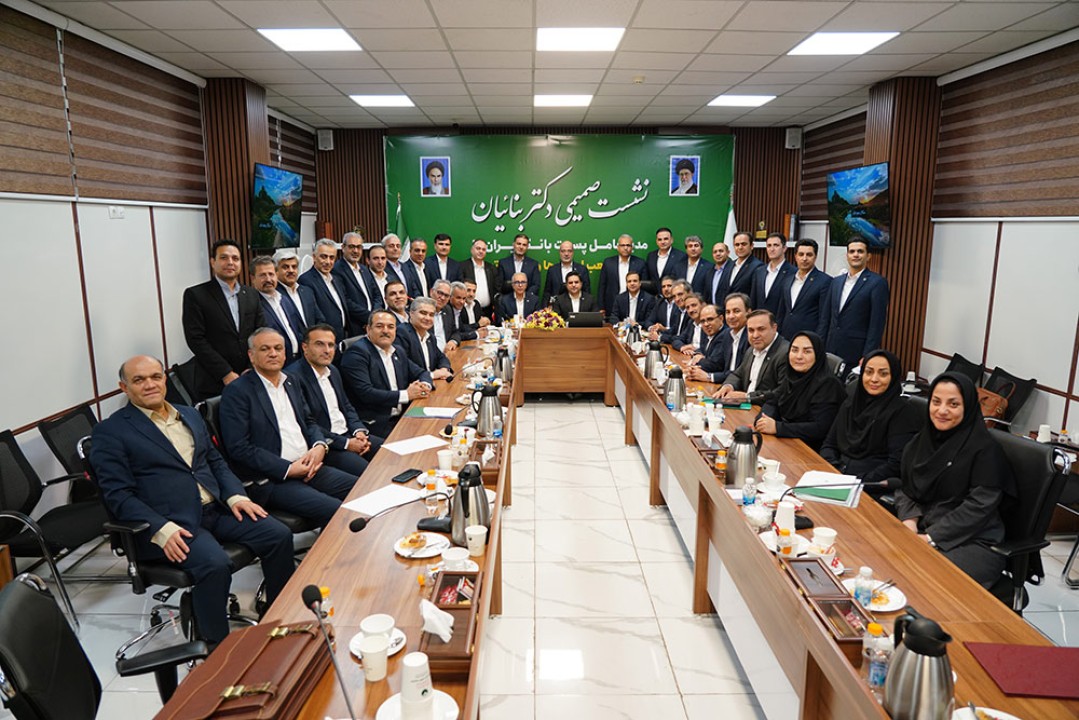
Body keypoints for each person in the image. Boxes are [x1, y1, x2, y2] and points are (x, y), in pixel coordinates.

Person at [91, 355, 294, 646]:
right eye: (139, 380)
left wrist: (235, 495)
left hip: (215, 509)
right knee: (215, 564)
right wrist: (160, 528)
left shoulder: (188, 414)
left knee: (277, 534)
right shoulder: (111, 432)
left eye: (155, 377)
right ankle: (216, 649)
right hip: (170, 523)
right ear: (124, 387)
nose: (150, 384)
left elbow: (215, 461)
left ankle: (279, 617)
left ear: (165, 379)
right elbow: (118, 495)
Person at [219, 328, 357, 529]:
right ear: (251, 355)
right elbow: (239, 448)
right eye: (265, 349)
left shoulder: (291, 381)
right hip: (274, 478)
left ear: (285, 353)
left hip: (310, 466)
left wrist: (319, 446)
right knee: (339, 511)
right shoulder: (237, 392)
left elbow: (308, 421)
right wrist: (288, 469)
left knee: (363, 488)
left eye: (278, 348)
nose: (273, 353)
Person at [893, 372, 1015, 588]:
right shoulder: (921, 441)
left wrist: (931, 537)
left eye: (953, 404)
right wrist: (909, 521)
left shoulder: (985, 450)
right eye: (936, 402)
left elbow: (979, 507)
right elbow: (906, 486)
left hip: (974, 542)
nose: (942, 410)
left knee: (913, 575)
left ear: (968, 407)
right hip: (924, 527)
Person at [286, 324, 380, 477]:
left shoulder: (333, 370)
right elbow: (307, 423)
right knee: (372, 476)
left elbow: (346, 406)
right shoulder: (293, 378)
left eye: (331, 345)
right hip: (328, 445)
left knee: (394, 453)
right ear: (305, 347)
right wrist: (347, 444)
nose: (327, 350)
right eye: (319, 344)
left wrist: (359, 431)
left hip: (349, 434)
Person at [820, 350, 922, 487]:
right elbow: (829, 444)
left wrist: (857, 482)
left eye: (883, 374)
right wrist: (834, 470)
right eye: (869, 372)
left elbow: (895, 464)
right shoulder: (851, 403)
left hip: (870, 484)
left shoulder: (902, 412)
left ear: (893, 376)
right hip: (837, 478)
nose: (874, 379)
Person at [182, 239, 265, 399]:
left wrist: (251, 367)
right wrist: (225, 373)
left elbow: (260, 333)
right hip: (214, 380)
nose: (230, 262)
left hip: (251, 376)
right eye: (224, 258)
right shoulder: (196, 295)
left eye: (235, 258)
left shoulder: (251, 294)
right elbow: (195, 339)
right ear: (213, 262)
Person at [340, 310, 433, 438]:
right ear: (368, 329)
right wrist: (407, 394)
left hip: (403, 416)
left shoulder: (397, 351)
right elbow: (366, 394)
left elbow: (421, 372)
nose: (385, 331)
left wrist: (424, 386)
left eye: (390, 327)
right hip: (375, 424)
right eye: (379, 326)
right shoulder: (356, 354)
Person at [755, 331, 846, 451]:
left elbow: (819, 428)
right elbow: (773, 400)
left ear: (817, 355)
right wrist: (763, 420)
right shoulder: (791, 376)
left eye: (807, 351)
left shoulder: (829, 385)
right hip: (789, 442)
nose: (799, 356)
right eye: (794, 350)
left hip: (811, 450)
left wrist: (778, 427)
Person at [825, 237, 890, 369]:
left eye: (860, 251)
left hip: (856, 351)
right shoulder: (836, 282)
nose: (855, 255)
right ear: (847, 256)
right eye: (852, 251)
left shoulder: (877, 283)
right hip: (831, 348)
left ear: (868, 256)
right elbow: (825, 317)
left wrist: (868, 354)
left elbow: (877, 323)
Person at [713, 309, 789, 404]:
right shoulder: (751, 350)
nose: (755, 335)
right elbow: (738, 374)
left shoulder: (785, 353)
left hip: (765, 409)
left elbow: (781, 392)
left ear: (774, 328)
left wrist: (747, 397)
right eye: (751, 330)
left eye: (761, 329)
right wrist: (728, 386)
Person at [299, 238, 353, 341]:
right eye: (323, 257)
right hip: (324, 340)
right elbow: (313, 315)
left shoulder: (337, 279)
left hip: (343, 337)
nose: (328, 262)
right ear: (314, 257)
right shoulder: (306, 280)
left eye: (332, 258)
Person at [776, 238, 831, 341]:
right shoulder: (787, 280)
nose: (804, 258)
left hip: (809, 339)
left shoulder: (825, 281)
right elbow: (781, 312)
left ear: (815, 257)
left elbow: (824, 318)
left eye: (809, 255)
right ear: (795, 256)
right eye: (801, 254)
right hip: (785, 338)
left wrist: (818, 341)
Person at [251, 255, 304, 361]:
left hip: (297, 360)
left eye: (271, 274)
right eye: (262, 275)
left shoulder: (284, 299)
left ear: (276, 275)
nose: (268, 279)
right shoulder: (252, 304)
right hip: (274, 362)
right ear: (253, 278)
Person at [330, 232, 382, 332]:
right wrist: (369, 318)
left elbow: (377, 295)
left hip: (373, 325)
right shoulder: (336, 270)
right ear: (343, 248)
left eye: (358, 247)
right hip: (355, 327)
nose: (355, 251)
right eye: (351, 247)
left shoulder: (364, 269)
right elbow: (345, 301)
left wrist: (375, 316)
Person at [395, 297, 452, 380]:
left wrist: (444, 369)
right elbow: (404, 363)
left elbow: (441, 357)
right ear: (411, 313)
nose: (427, 318)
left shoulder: (430, 337)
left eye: (431, 315)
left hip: (430, 382)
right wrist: (432, 375)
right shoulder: (402, 332)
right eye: (423, 313)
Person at [273, 249, 324, 331]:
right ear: (276, 271)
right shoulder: (274, 294)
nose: (291, 270)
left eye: (294, 267)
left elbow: (319, 319)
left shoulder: (307, 291)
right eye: (285, 267)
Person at [598, 234, 646, 315]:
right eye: (622, 245)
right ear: (618, 247)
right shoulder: (608, 263)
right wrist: (601, 307)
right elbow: (602, 286)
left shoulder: (640, 263)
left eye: (628, 245)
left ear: (632, 247)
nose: (625, 248)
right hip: (612, 304)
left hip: (634, 304)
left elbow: (644, 287)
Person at [750, 233, 795, 316]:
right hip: (759, 319)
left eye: (776, 245)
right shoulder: (759, 271)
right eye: (769, 246)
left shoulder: (793, 272)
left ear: (784, 248)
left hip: (780, 320)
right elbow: (753, 300)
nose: (772, 249)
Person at [684, 305, 729, 383]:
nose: (706, 324)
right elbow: (701, 350)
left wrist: (697, 362)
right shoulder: (709, 333)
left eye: (710, 319)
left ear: (721, 318)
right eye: (702, 321)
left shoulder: (725, 335)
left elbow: (713, 365)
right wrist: (698, 354)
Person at [459, 238, 500, 319]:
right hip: (468, 310)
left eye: (483, 249)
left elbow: (496, 289)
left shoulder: (491, 268)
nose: (481, 251)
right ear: (472, 250)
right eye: (478, 248)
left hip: (488, 311)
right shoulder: (462, 267)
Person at [542, 240, 590, 305]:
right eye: (563, 251)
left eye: (569, 251)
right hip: (556, 307)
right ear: (559, 252)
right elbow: (547, 292)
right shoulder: (552, 270)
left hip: (577, 306)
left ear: (573, 252)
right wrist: (545, 307)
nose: (566, 254)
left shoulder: (582, 270)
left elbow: (586, 292)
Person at [725, 231, 762, 297]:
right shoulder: (729, 265)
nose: (740, 247)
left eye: (744, 244)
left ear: (751, 246)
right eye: (737, 245)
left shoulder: (758, 267)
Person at [705, 241, 732, 306]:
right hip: (713, 310)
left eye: (721, 251)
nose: (718, 254)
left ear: (728, 253)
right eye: (715, 252)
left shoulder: (733, 268)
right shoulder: (709, 272)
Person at [429, 279, 453, 351]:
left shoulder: (447, 310)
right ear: (431, 292)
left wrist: (453, 341)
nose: (442, 298)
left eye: (446, 295)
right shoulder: (423, 311)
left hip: (447, 352)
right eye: (440, 293)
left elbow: (455, 331)